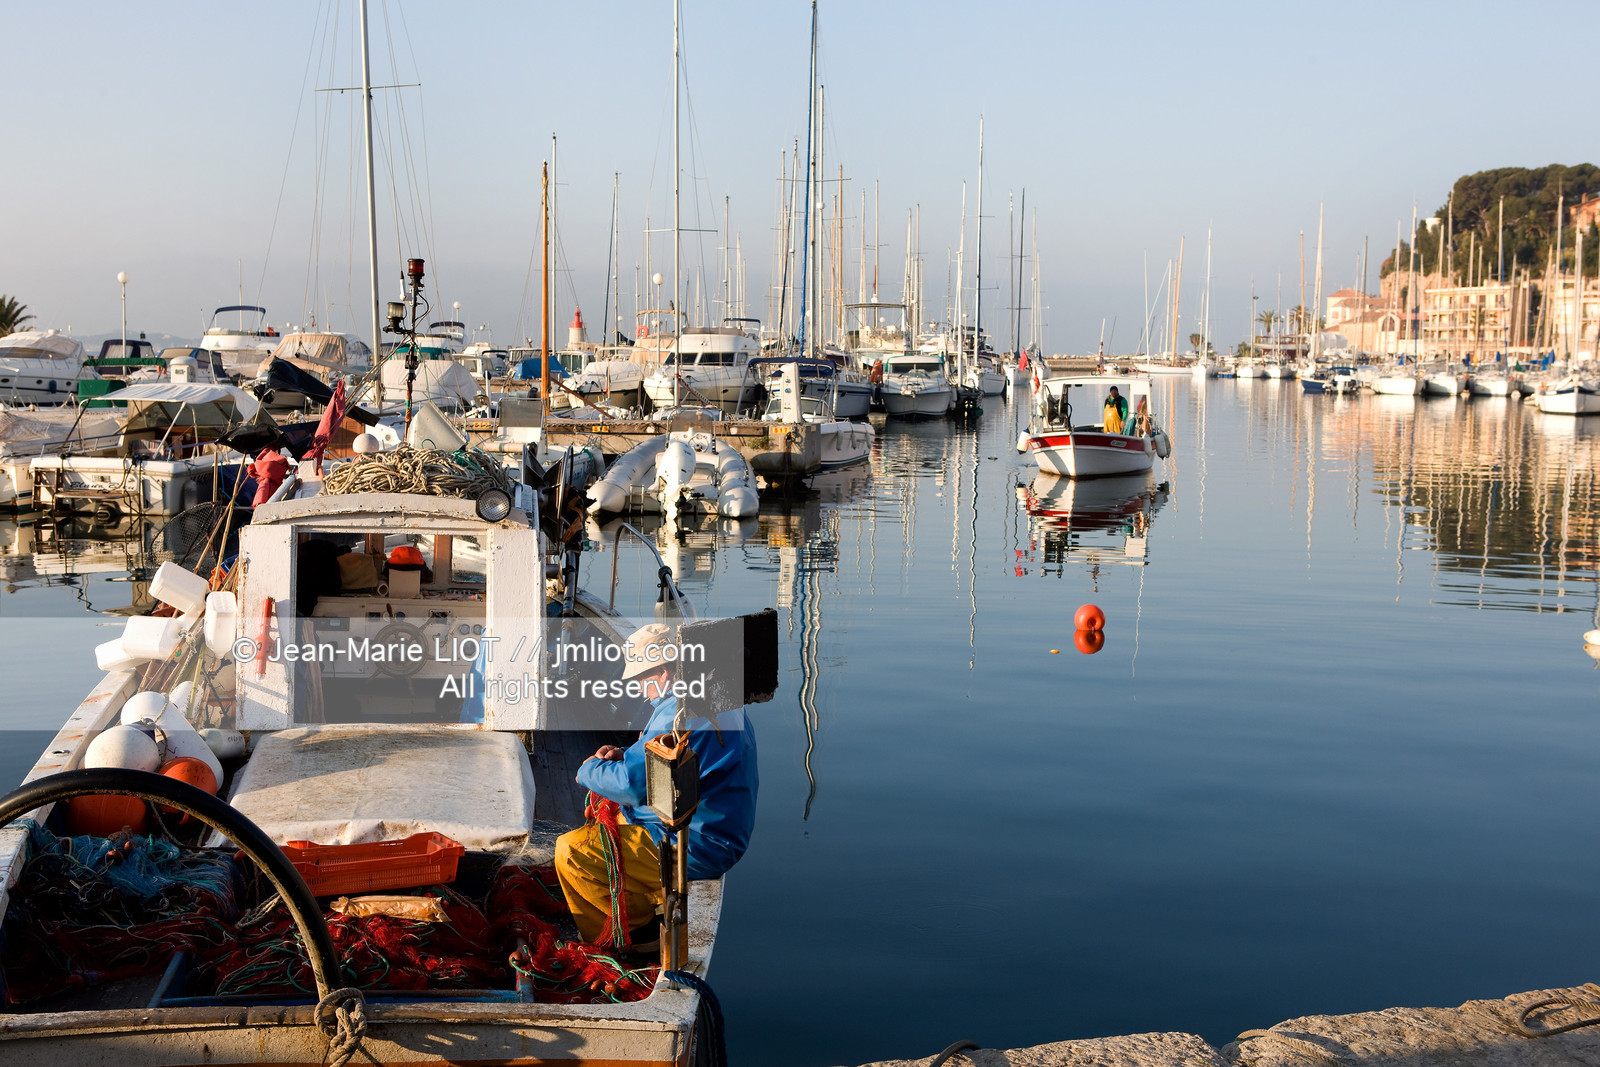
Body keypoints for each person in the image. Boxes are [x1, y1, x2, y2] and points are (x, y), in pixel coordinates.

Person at [554, 623, 758, 947]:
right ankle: (640, 902)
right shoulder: (711, 693)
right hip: (717, 830)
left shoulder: (678, 712)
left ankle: (633, 935)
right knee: (609, 824)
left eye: (640, 679)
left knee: (571, 852)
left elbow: (632, 786)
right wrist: (627, 754)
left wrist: (589, 770)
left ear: (663, 672)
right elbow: (670, 758)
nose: (638, 690)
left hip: (696, 843)